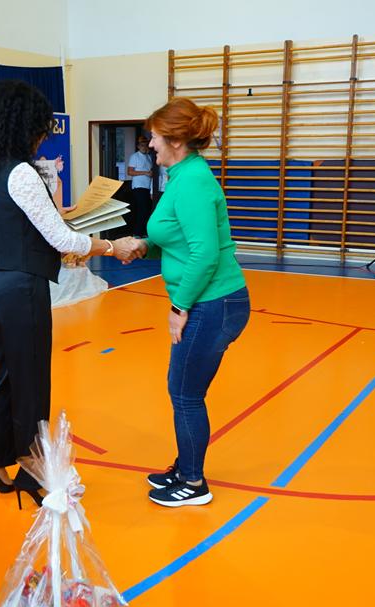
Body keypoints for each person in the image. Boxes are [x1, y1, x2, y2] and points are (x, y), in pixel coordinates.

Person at [0, 79, 138, 508]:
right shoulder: (22, 172)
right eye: (40, 128)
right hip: (20, 289)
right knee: (30, 383)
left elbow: (20, 222)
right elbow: (61, 238)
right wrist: (109, 245)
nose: (42, 137)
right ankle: (33, 471)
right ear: (26, 125)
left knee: (2, 377)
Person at [133, 97, 251, 508]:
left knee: (185, 393)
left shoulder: (194, 181)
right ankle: (185, 467)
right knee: (183, 389)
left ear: (176, 141)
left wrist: (179, 307)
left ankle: (193, 483)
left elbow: (204, 253)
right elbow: (178, 239)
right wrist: (143, 246)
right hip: (209, 300)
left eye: (154, 137)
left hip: (212, 302)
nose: (150, 145)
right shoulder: (182, 176)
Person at [127, 134, 154, 236]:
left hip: (148, 187)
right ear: (138, 146)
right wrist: (145, 173)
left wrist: (150, 173)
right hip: (138, 186)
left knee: (147, 210)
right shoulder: (135, 156)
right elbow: (130, 172)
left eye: (145, 145)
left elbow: (151, 171)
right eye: (142, 145)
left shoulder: (149, 157)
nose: (144, 147)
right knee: (142, 210)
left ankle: (143, 232)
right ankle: (137, 233)